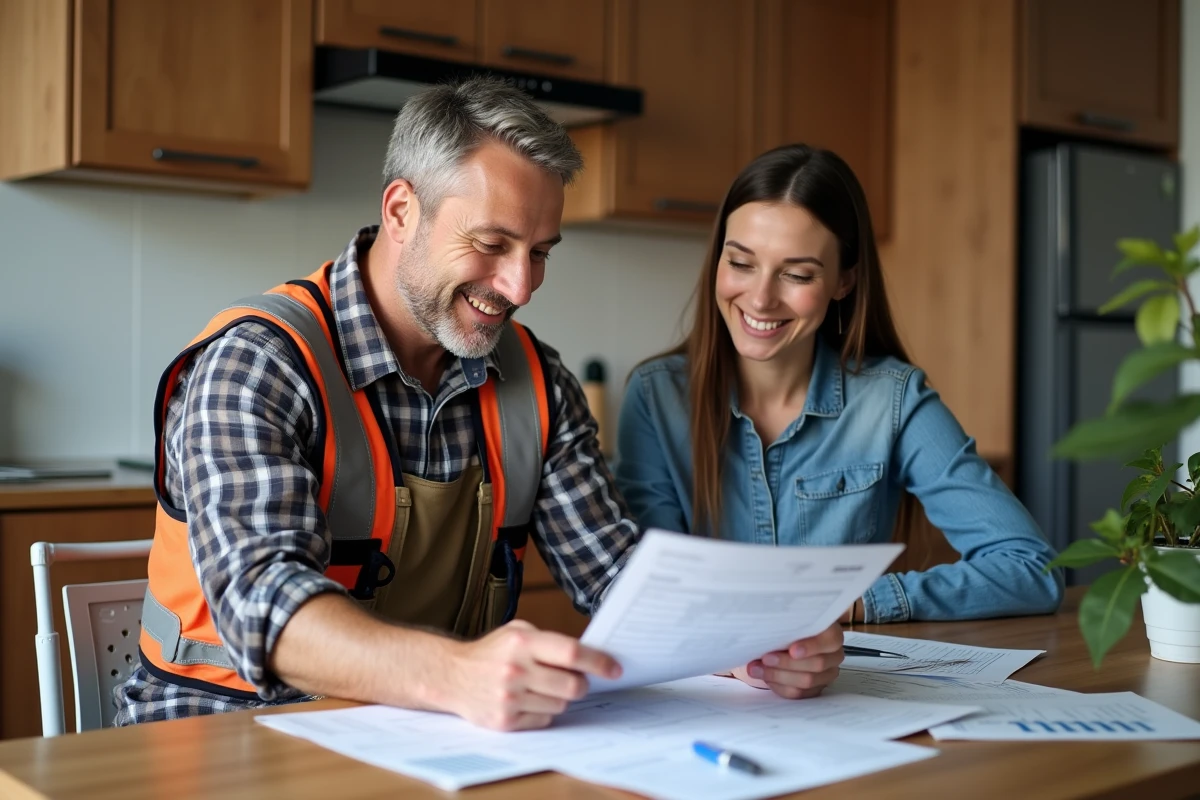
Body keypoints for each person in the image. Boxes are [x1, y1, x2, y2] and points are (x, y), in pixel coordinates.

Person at [117, 79, 844, 730]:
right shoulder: (258, 365)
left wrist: (749, 643)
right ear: (402, 211)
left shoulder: (538, 382)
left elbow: (614, 574)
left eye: (541, 252)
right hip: (219, 738)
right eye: (492, 244)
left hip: (420, 737)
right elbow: (266, 612)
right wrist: (456, 674)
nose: (521, 286)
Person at [616, 144, 1064, 634]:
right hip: (706, 672)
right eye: (741, 263)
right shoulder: (656, 398)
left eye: (797, 274)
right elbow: (651, 587)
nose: (761, 299)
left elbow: (1031, 569)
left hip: (841, 674)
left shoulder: (893, 401)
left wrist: (854, 602)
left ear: (844, 281)